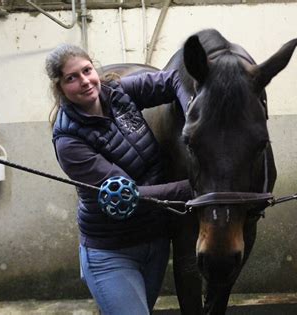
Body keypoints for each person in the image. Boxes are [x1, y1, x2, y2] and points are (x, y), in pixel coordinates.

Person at [45, 44, 192, 315]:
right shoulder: (69, 141)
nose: (85, 81)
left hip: (155, 243)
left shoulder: (118, 93)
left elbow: (173, 79)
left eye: (87, 70)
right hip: (112, 253)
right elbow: (128, 196)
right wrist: (191, 189)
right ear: (60, 88)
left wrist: (192, 114)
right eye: (71, 78)